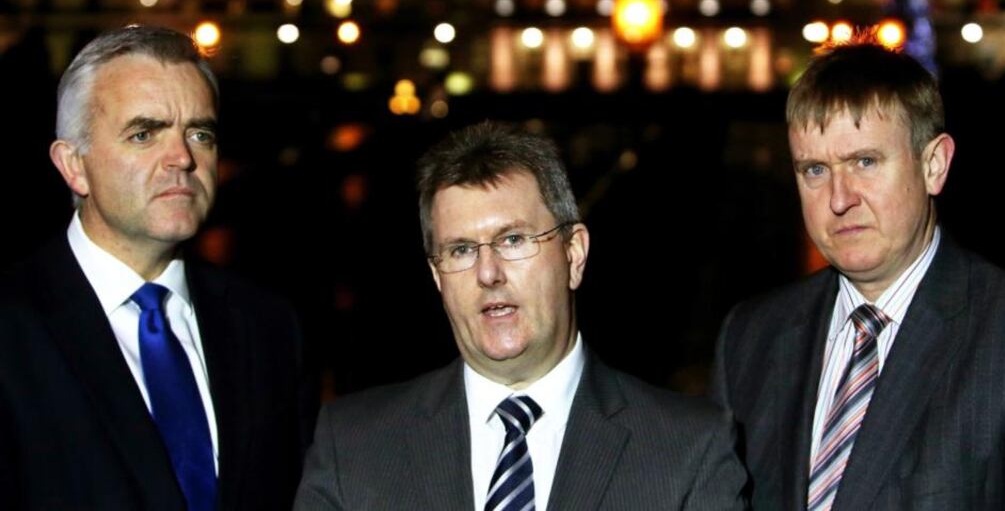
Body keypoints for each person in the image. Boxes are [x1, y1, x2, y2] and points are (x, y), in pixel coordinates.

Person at [295, 123, 747, 510]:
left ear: (574, 254)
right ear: (437, 275)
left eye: (513, 240)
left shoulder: (689, 450)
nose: (488, 273)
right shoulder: (352, 448)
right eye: (462, 250)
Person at [0, 25, 305, 511]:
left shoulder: (267, 325)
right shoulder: (13, 327)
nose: (183, 158)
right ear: (73, 165)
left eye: (200, 133)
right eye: (144, 134)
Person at [711, 39, 1005, 510]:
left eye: (865, 162)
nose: (839, 198)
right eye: (815, 169)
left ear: (934, 164)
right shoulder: (752, 336)